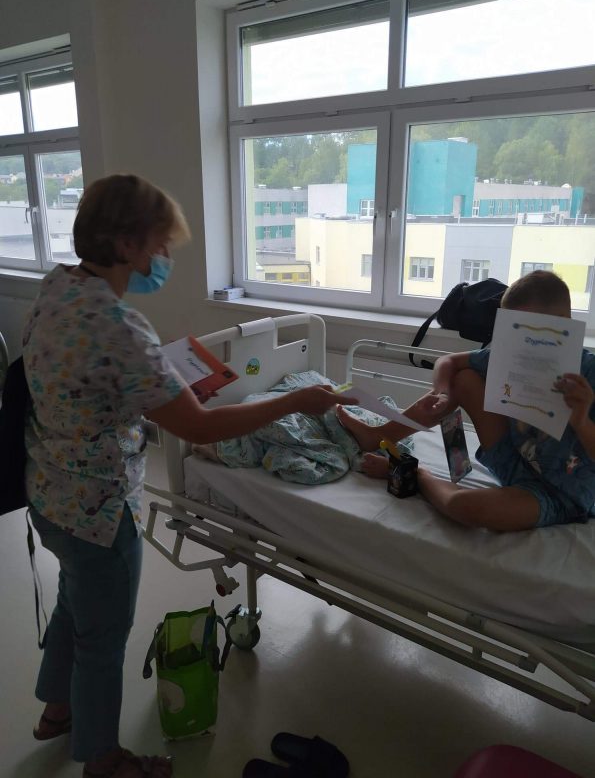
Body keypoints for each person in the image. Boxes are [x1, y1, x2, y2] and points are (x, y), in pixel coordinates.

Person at [23, 174, 355, 778]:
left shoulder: (57, 288)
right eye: (160, 244)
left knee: (74, 604)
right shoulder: (119, 326)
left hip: (50, 494)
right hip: (99, 512)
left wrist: (161, 373)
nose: (164, 258)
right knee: (103, 637)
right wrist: (293, 401)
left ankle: (57, 710)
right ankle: (104, 760)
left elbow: (96, 379)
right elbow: (197, 427)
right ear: (127, 245)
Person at [339, 270, 595, 532]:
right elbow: (448, 362)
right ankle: (379, 435)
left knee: (468, 508)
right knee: (464, 378)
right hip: (513, 458)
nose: (521, 343)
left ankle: (418, 474)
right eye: (513, 330)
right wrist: (442, 393)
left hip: (561, 490)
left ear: (563, 324)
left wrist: (582, 421)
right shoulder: (512, 352)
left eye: (531, 331)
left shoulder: (590, 372)